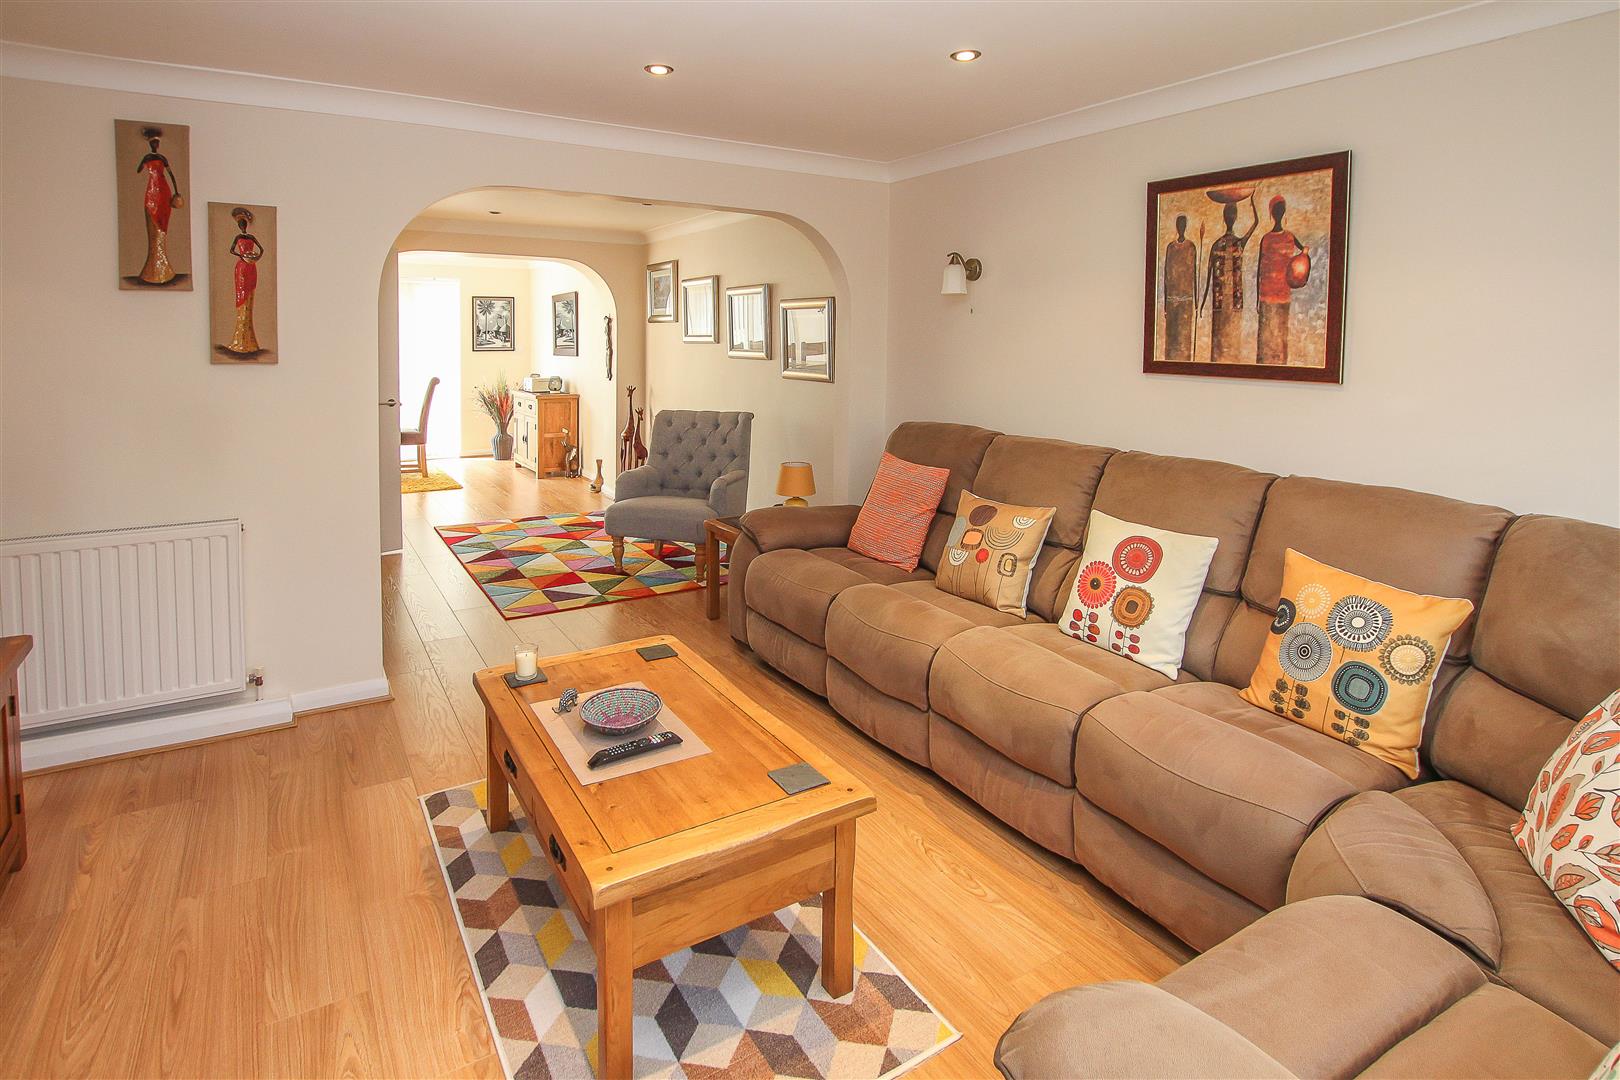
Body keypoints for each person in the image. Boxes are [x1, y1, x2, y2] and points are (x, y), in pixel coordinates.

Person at [1199, 190, 1258, 364]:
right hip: (1220, 304)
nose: (1231, 217)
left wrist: (1253, 201)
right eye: (1230, 214)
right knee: (1219, 351)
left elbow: (1256, 223)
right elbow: (1209, 278)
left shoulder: (1237, 243)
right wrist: (1201, 305)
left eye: (1233, 214)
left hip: (1234, 303)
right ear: (1227, 218)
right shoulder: (1218, 244)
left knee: (1232, 349)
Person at [1256, 195, 1307, 365]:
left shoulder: (1290, 237)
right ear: (1272, 213)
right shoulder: (1266, 239)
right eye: (1276, 209)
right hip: (1266, 294)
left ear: (1284, 211)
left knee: (1279, 335)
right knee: (1266, 338)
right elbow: (1259, 268)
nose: (1279, 212)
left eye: (1281, 209)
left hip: (1283, 294)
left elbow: (1304, 251)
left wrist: (1301, 270)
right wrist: (1257, 298)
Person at [136, 128, 184, 284]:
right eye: (153, 143)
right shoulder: (148, 157)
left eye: (157, 143)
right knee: (153, 226)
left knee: (163, 225)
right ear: (150, 144)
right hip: (152, 192)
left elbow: (171, 175)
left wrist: (176, 192)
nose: (155, 145)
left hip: (163, 192)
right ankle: (152, 269)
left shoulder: (162, 158)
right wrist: (144, 162)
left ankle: (163, 270)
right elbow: (138, 170)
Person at [225, 208, 264, 355]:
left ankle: (249, 341)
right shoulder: (238, 237)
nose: (243, 227)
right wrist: (242, 256)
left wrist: (256, 257)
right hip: (241, 268)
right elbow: (232, 250)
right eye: (241, 225)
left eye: (244, 224)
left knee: (250, 297)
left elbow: (261, 250)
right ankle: (239, 340)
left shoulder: (251, 237)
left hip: (251, 267)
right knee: (241, 296)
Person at [1162, 214, 1197, 362]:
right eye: (1179, 224)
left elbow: (1194, 274)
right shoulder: (1171, 247)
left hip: (1186, 300)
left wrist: (1196, 303)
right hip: (1172, 300)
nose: (1181, 227)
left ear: (1186, 226)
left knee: (1184, 338)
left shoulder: (1191, 247)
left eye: (1183, 224)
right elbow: (1166, 276)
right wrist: (1165, 305)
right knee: (1172, 339)